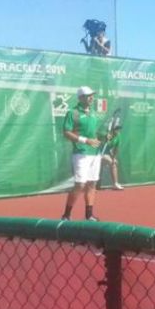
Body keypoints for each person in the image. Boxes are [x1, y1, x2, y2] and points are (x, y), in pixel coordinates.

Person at [61, 86, 103, 221]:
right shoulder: (72, 113)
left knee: (92, 184)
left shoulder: (93, 113)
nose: (91, 97)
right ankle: (66, 215)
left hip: (95, 153)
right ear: (80, 98)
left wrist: (103, 137)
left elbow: (94, 133)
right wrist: (85, 140)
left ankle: (89, 215)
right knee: (80, 185)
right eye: (88, 95)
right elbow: (66, 132)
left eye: (92, 95)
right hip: (81, 153)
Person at [99, 125, 125, 190]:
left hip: (107, 153)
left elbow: (116, 148)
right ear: (112, 129)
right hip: (98, 152)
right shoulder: (105, 133)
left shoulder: (118, 136)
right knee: (102, 166)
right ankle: (95, 184)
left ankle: (115, 184)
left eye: (119, 129)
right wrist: (105, 137)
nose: (118, 131)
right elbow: (98, 136)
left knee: (113, 163)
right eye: (116, 129)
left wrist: (113, 158)